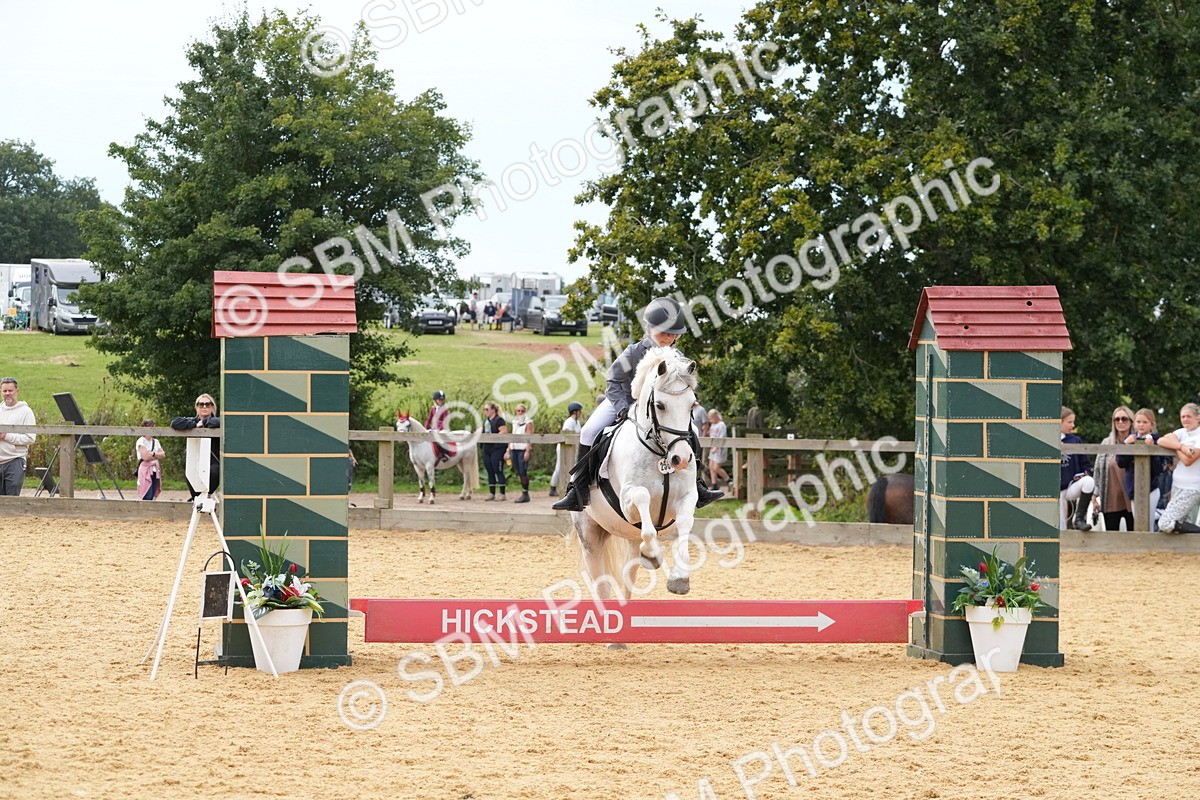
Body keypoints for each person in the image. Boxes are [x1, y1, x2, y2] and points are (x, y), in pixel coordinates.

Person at [553, 296, 724, 511]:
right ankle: (577, 489)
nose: (668, 337)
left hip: (660, 409)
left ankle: (697, 484)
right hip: (625, 400)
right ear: (649, 328)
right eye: (664, 332)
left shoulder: (677, 357)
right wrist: (622, 407)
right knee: (588, 431)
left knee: (694, 431)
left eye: (673, 334)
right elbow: (613, 381)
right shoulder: (634, 352)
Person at [1116, 408, 1171, 531]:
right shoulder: (1130, 439)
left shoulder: (1157, 441)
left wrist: (1152, 449)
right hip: (1133, 489)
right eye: (1138, 422)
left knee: (1148, 525)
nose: (1141, 425)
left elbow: (1158, 469)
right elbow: (1120, 463)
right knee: (1138, 523)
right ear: (1134, 423)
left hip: (1150, 488)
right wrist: (1126, 445)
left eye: (1145, 422)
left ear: (1152, 424)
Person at [1156, 403, 1200, 533]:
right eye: (1183, 417)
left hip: (1192, 486)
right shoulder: (1181, 432)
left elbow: (1188, 461)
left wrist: (1174, 446)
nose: (1185, 419)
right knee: (1181, 523)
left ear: (1198, 418)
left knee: (1165, 523)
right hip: (1177, 484)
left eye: (1189, 416)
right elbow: (1161, 441)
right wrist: (1182, 447)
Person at [1092, 406, 1135, 532]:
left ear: (1131, 421)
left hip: (1132, 498)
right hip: (1111, 498)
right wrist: (1094, 496)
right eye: (1117, 419)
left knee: (1135, 536)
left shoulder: (1138, 442)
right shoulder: (1106, 443)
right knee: (1111, 536)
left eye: (1124, 419)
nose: (1120, 422)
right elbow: (1098, 470)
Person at [172, 393, 221, 500]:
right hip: (194, 461)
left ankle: (202, 498)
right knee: (191, 474)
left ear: (212, 407)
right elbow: (175, 422)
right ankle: (198, 499)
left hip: (214, 461)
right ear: (196, 407)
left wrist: (205, 422)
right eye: (201, 404)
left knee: (214, 472)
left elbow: (220, 422)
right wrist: (194, 425)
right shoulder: (192, 421)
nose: (204, 407)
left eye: (208, 404)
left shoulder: (217, 421)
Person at [1059, 406, 1094, 531]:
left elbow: (1086, 466)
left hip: (1070, 487)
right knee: (1061, 528)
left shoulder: (1075, 440)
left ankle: (1079, 518)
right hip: (1052, 491)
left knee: (1089, 481)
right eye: (1069, 422)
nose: (1073, 425)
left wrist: (1083, 474)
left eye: (1073, 422)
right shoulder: (1047, 439)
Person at [0, 377, 36, 496]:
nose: (7, 394)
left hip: (15, 460)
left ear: (17, 391)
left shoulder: (26, 412)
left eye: (10, 390)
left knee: (12, 499)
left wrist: (6, 436)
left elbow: (30, 438)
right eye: (5, 391)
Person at [550, 401, 584, 497]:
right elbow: (567, 436)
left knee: (572, 466)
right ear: (575, 412)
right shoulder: (569, 422)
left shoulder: (577, 422)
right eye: (579, 411)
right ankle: (553, 487)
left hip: (573, 447)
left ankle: (570, 486)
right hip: (565, 447)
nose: (580, 413)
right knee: (559, 467)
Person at [481, 402, 508, 500]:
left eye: (487, 409)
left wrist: (492, 437)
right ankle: (491, 492)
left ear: (493, 410)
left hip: (497, 448)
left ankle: (502, 493)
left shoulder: (499, 420)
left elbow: (504, 431)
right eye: (484, 409)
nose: (485, 411)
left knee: (498, 469)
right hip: (487, 448)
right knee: (489, 470)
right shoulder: (486, 421)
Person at [508, 403, 534, 503]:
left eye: (522, 411)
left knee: (523, 470)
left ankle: (525, 493)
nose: (520, 413)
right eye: (518, 411)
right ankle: (523, 491)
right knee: (518, 470)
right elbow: (512, 435)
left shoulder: (528, 422)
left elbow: (529, 437)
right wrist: (508, 449)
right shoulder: (514, 422)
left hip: (522, 449)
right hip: (514, 448)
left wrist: (527, 450)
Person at [135, 419, 166, 501]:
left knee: (153, 494)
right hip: (145, 470)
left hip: (155, 470)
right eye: (151, 427)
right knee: (147, 494)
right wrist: (156, 455)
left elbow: (163, 454)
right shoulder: (141, 441)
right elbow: (145, 457)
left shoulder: (156, 441)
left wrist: (152, 454)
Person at [707, 409, 731, 488]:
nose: (710, 420)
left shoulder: (721, 425)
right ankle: (714, 484)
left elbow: (721, 437)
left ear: (716, 416)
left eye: (711, 418)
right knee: (711, 466)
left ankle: (728, 479)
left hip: (720, 449)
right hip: (713, 448)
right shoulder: (713, 425)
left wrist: (716, 448)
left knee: (716, 468)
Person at [426, 390, 451, 462]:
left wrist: (439, 430)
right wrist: (425, 428)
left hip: (443, 428)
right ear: (435, 400)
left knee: (440, 438)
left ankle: (444, 454)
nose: (441, 401)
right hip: (434, 428)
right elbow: (429, 419)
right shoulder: (433, 408)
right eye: (439, 400)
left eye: (442, 400)